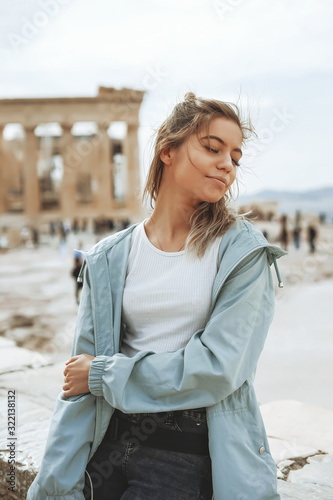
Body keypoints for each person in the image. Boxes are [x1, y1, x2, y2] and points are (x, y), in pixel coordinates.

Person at [27, 92, 286, 500]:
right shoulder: (110, 256)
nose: (227, 166)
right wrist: (56, 485)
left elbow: (218, 368)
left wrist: (104, 374)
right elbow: (78, 382)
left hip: (183, 454)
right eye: (212, 148)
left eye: (235, 157)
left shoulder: (243, 252)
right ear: (168, 150)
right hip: (105, 446)